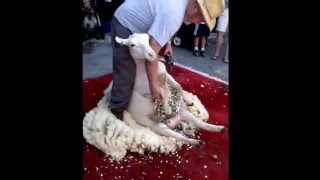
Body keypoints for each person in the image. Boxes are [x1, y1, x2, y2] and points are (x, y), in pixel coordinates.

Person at [109, 0, 225, 120]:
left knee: (141, 64)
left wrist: (167, 43)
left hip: (141, 20)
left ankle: (132, 93)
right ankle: (118, 106)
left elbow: (162, 25)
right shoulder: (174, 14)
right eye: (201, 19)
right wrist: (154, 87)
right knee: (126, 66)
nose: (198, 22)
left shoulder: (180, 7)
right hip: (125, 22)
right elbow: (152, 55)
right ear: (195, 6)